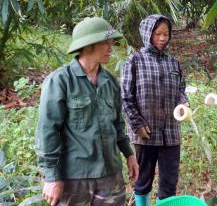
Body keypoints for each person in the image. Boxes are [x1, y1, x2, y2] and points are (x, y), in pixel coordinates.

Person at [35, 17, 139, 206]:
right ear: (89, 45)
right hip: (74, 177)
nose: (111, 48)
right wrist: (51, 177)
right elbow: (47, 131)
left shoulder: (109, 82)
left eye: (111, 43)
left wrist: (129, 154)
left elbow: (117, 124)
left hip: (110, 174)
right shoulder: (60, 81)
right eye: (105, 43)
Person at [121, 14, 188, 206]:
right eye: (157, 34)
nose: (162, 38)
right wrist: (137, 123)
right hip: (145, 133)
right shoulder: (134, 61)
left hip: (171, 133)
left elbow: (180, 91)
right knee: (143, 179)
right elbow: (125, 96)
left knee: (169, 182)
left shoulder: (173, 63)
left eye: (165, 34)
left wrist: (184, 103)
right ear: (147, 34)